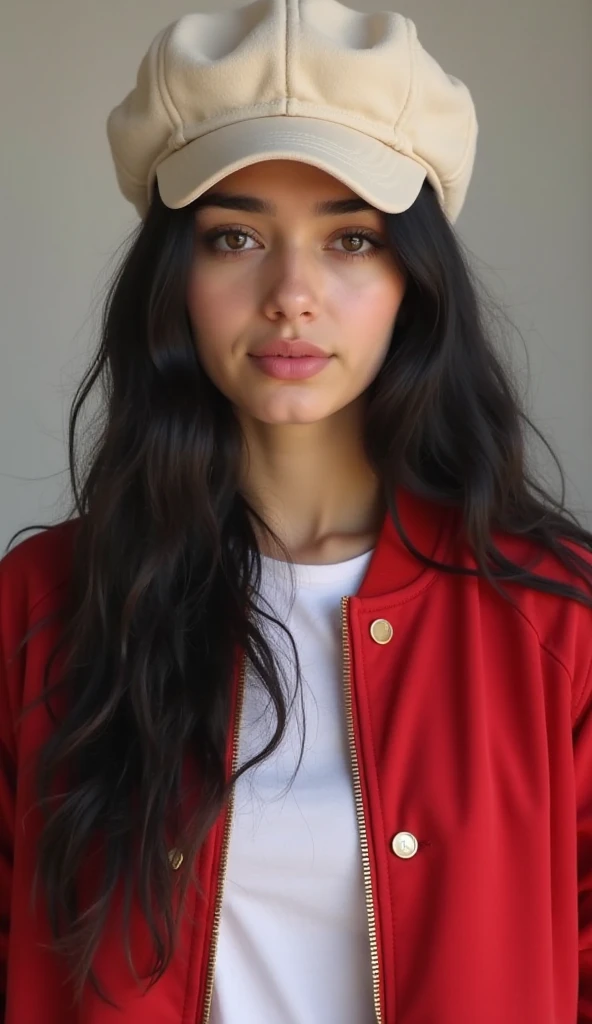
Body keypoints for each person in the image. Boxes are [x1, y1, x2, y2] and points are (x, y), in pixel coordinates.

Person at [0, 0, 591, 1021]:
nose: (291, 293)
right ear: (173, 279)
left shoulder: (558, 624)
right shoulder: (44, 607)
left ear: (416, 279)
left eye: (351, 239)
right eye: (234, 235)